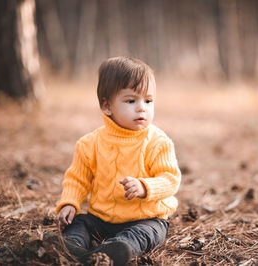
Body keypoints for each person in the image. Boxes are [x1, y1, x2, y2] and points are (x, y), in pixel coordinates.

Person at [55, 56, 181, 265]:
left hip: (147, 217)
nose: (142, 108)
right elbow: (77, 179)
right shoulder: (89, 144)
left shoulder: (158, 142)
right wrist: (70, 202)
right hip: (101, 218)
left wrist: (145, 186)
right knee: (79, 223)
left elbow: (170, 179)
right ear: (107, 106)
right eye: (131, 101)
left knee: (148, 233)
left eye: (148, 101)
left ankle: (117, 249)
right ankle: (73, 246)